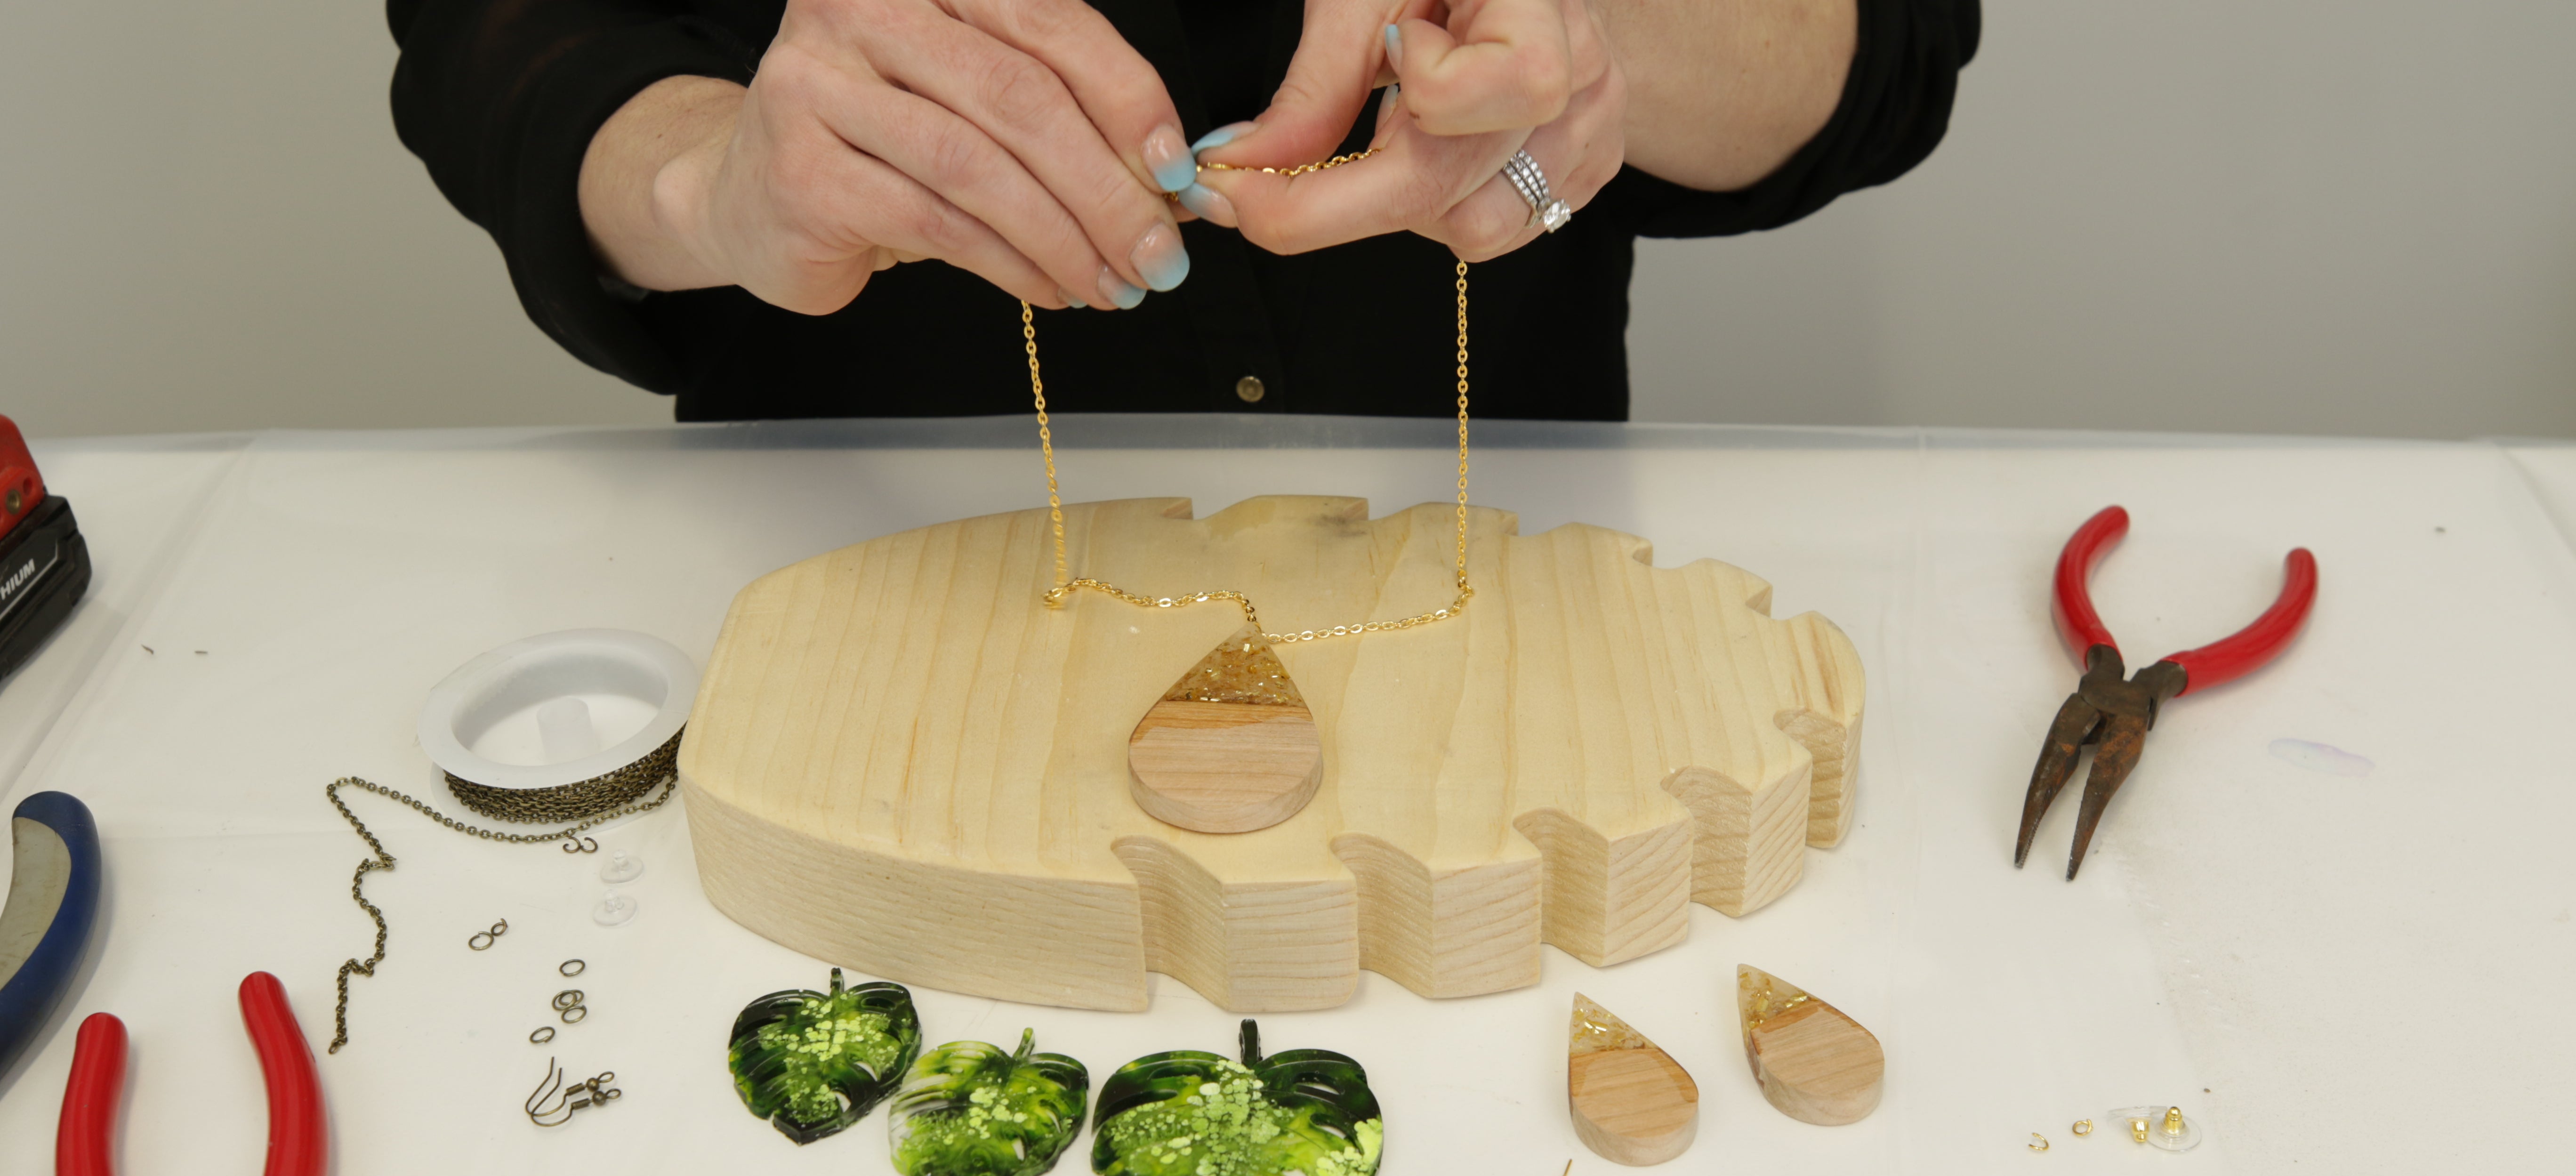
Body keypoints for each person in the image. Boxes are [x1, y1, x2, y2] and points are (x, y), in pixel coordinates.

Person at [390, 0, 1976, 421]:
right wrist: (712, 182)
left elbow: (1887, 46)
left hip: (1498, 598)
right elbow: (499, 39)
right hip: (864, 574)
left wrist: (1596, 38)